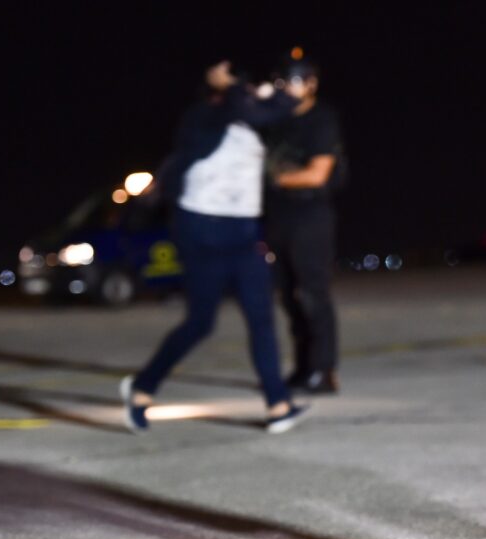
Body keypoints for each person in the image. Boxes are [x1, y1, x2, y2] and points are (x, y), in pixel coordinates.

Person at [121, 61, 307, 435]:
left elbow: (271, 113)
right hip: (201, 229)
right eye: (236, 84)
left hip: (242, 231)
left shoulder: (250, 122)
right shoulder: (204, 116)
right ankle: (142, 388)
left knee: (261, 318)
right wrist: (235, 87)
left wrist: (279, 94)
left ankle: (278, 404)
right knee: (200, 323)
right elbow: (243, 106)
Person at [263, 53, 344, 395]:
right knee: (287, 296)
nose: (286, 87)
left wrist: (276, 177)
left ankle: (324, 371)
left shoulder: (321, 119)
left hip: (310, 217)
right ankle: (303, 366)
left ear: (311, 83)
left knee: (313, 294)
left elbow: (317, 173)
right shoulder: (275, 120)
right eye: (282, 81)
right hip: (278, 217)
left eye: (294, 80)